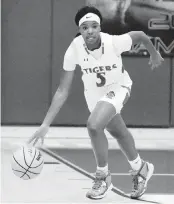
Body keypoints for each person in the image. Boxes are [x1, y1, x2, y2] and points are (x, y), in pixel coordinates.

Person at [28, 6, 164, 200]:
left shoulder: (114, 42)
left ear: (100, 27)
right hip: (94, 95)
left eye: (94, 26)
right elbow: (62, 90)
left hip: (118, 88)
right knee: (118, 132)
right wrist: (45, 124)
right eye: (84, 27)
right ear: (80, 31)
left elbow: (141, 35)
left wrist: (154, 53)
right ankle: (141, 168)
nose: (89, 30)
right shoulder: (74, 48)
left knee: (93, 125)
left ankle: (103, 177)